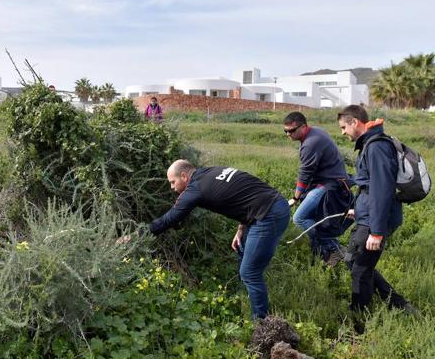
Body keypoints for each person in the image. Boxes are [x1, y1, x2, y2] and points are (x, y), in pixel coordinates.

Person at [121, 159, 290, 320]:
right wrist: (241, 228)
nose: (172, 188)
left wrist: (136, 236)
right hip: (274, 204)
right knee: (242, 246)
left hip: (268, 215)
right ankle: (245, 295)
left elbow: (168, 220)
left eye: (173, 182)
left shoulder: (195, 189)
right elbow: (245, 194)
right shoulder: (212, 171)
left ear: (184, 177)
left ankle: (261, 323)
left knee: (250, 272)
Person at [337, 105, 414, 326]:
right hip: (368, 215)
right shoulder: (371, 144)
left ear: (355, 122)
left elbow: (382, 190)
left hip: (375, 221)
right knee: (356, 262)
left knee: (359, 267)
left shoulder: (377, 147)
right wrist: (357, 209)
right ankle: (398, 304)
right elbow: (369, 187)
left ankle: (359, 319)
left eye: (344, 127)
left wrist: (377, 232)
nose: (343, 132)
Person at [283, 112, 353, 266]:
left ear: (303, 126)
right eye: (286, 131)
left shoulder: (311, 143)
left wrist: (295, 198)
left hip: (329, 185)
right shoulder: (315, 132)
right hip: (331, 182)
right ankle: (327, 253)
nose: (289, 134)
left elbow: (305, 174)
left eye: (292, 130)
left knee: (299, 218)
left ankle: (332, 249)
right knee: (313, 219)